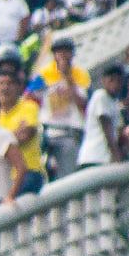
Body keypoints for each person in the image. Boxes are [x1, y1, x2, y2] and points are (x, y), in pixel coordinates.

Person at [29, 36, 87, 177]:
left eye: (66, 52)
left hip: (70, 132)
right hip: (47, 130)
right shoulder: (44, 74)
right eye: (59, 52)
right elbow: (29, 98)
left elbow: (83, 104)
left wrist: (67, 77)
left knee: (68, 172)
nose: (63, 56)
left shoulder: (80, 74)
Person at [0, 59, 43, 193]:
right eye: (1, 83)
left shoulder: (29, 106)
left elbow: (26, 135)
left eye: (10, 84)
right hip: (0, 175)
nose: (5, 88)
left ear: (19, 88)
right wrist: (13, 135)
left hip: (29, 172)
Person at [74, 60, 127, 169]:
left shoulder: (115, 103)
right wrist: (116, 156)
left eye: (118, 81)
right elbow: (106, 127)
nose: (115, 84)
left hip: (104, 158)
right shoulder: (100, 96)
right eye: (111, 80)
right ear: (104, 81)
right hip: (94, 157)